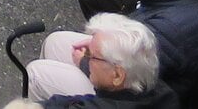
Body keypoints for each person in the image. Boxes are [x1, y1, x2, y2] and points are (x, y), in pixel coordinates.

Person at [23, 13, 178, 109]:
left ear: (117, 76)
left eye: (92, 55)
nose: (86, 54)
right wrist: (89, 57)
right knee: (55, 42)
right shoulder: (161, 91)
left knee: (35, 74)